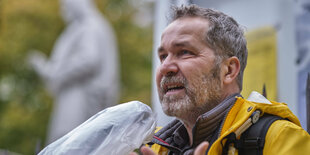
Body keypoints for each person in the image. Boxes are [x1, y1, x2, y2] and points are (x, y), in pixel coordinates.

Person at [132, 4, 310, 155]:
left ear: (229, 70)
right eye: (163, 56)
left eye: (185, 52)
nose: (165, 67)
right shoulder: (152, 147)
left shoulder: (280, 138)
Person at [28, 0, 120, 143]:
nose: (63, 10)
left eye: (65, 5)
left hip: (79, 98)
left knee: (69, 140)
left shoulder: (90, 25)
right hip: (77, 95)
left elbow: (89, 59)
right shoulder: (90, 25)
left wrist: (55, 73)